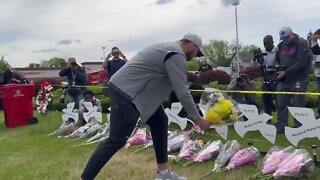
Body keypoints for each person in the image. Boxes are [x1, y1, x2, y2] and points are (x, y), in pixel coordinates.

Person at [81, 33, 212, 180]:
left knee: (160, 122)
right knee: (117, 139)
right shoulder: (176, 54)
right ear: (191, 45)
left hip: (130, 91)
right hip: (127, 93)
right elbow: (182, 91)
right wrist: (198, 119)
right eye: (196, 52)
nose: (194, 56)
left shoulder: (168, 48)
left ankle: (163, 174)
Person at [275, 27, 312, 133]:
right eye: (282, 38)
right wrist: (278, 66)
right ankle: (282, 126)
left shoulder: (302, 43)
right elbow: (277, 59)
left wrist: (285, 72)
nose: (284, 40)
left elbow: (302, 62)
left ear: (292, 34)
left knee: (298, 104)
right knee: (281, 103)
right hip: (284, 80)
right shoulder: (281, 45)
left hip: (299, 78)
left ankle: (299, 128)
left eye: (286, 37)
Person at [261, 35, 278, 115]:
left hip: (276, 75)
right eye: (265, 44)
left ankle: (280, 118)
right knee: (266, 98)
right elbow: (258, 65)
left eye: (268, 44)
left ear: (273, 42)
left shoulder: (277, 50)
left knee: (278, 98)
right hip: (266, 75)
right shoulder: (262, 52)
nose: (266, 46)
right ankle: (267, 117)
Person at [312, 28, 320, 117]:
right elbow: (312, 59)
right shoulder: (316, 49)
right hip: (318, 76)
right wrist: (314, 39)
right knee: (319, 95)